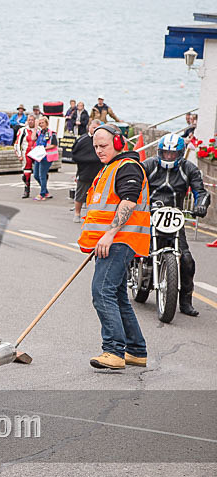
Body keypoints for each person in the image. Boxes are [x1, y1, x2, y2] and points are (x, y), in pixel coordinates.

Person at [79, 123, 151, 370]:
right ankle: (136, 351)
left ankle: (113, 351)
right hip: (111, 242)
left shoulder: (127, 166)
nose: (99, 150)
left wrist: (109, 235)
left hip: (120, 240)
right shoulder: (110, 168)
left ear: (119, 143)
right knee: (118, 296)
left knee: (102, 292)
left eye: (104, 146)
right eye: (96, 146)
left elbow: (128, 202)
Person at [141, 133, 211, 316]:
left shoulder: (190, 169)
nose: (168, 157)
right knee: (132, 249)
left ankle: (186, 301)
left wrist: (200, 206)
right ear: (160, 152)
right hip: (149, 216)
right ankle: (125, 282)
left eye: (172, 154)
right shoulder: (148, 165)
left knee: (187, 260)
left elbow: (201, 192)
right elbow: (134, 184)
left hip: (175, 218)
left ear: (180, 153)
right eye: (165, 153)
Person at [71, 119, 103, 221]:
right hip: (84, 172)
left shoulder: (103, 140)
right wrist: (91, 159)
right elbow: (74, 156)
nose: (96, 130)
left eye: (98, 128)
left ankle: (93, 215)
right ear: (89, 127)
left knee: (97, 196)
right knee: (80, 194)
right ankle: (77, 213)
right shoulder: (82, 140)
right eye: (94, 127)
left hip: (99, 173)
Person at [32, 116, 58, 200]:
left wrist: (43, 148)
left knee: (42, 175)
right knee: (36, 175)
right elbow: (33, 138)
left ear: (46, 123)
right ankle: (46, 191)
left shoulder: (51, 133)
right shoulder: (39, 132)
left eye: (42, 123)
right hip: (38, 156)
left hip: (47, 157)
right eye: (40, 123)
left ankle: (42, 194)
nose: (41, 124)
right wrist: (35, 128)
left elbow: (54, 144)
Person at [13, 114, 38, 198]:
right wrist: (19, 155)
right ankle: (26, 190)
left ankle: (43, 190)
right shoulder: (22, 130)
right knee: (26, 173)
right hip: (26, 153)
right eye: (29, 120)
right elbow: (17, 143)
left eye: (32, 120)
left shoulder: (38, 130)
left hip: (36, 153)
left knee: (40, 173)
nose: (31, 121)